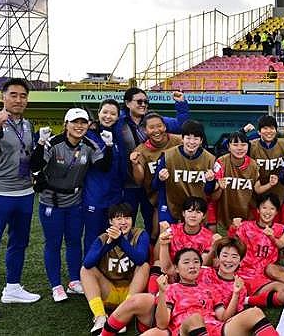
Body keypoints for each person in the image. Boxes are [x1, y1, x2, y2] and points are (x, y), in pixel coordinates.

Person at [31, 108, 113, 302]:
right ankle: (56, 285)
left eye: (83, 122)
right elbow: (35, 165)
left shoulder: (89, 144)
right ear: (66, 124)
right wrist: (41, 143)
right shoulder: (55, 143)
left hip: (75, 201)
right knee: (53, 243)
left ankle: (75, 280)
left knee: (74, 241)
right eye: (75, 122)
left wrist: (108, 146)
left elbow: (103, 166)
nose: (79, 126)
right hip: (51, 200)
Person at [0, 79, 40, 319]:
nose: (19, 100)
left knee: (19, 243)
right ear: (3, 97)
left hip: (25, 193)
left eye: (23, 96)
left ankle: (12, 288)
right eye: (13, 95)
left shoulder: (27, 124)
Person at [145, 248, 278, 336]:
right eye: (186, 262)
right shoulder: (171, 289)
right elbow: (162, 324)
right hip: (185, 330)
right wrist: (162, 293)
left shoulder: (210, 289)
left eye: (196, 262)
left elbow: (223, 317)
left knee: (254, 312)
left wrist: (236, 294)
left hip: (215, 329)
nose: (192, 266)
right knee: (195, 318)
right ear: (177, 269)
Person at [119, 88, 189, 235]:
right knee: (126, 221)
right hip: (127, 182)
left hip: (151, 183)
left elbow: (182, 125)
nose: (143, 104)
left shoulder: (155, 120)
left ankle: (151, 252)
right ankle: (128, 253)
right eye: (139, 101)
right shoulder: (119, 123)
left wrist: (181, 104)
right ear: (127, 103)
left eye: (145, 101)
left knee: (152, 222)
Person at [81, 203, 150, 334]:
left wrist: (120, 241)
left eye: (127, 218)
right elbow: (88, 263)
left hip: (131, 293)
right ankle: (100, 316)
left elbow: (141, 259)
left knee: (144, 266)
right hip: (110, 290)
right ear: (110, 221)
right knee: (85, 271)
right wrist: (109, 244)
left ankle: (124, 315)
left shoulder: (140, 234)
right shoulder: (103, 238)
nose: (123, 222)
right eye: (119, 218)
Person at [230, 193, 284, 308]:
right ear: (258, 210)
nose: (267, 212)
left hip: (265, 276)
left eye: (272, 208)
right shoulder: (246, 226)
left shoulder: (280, 229)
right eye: (264, 207)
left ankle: (247, 300)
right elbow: (230, 245)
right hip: (244, 274)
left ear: (277, 212)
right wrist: (233, 228)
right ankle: (250, 298)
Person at [151, 120, 216, 225]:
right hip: (171, 202)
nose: (191, 142)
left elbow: (209, 192)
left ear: (201, 141)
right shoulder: (168, 156)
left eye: (196, 138)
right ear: (182, 138)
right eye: (188, 138)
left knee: (194, 236)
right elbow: (155, 185)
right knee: (166, 232)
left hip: (195, 206)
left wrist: (210, 181)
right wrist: (160, 178)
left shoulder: (210, 159)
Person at [84, 100, 128, 254]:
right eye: (105, 112)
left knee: (112, 235)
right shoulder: (89, 135)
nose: (108, 116)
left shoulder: (117, 135)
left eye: (113, 113)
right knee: (93, 236)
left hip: (115, 196)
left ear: (118, 117)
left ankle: (107, 271)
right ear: (98, 113)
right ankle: (88, 271)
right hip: (94, 196)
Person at [129, 113, 183, 237]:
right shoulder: (140, 150)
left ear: (165, 126)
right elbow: (139, 180)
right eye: (151, 127)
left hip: (182, 192)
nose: (156, 130)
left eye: (159, 126)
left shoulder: (178, 140)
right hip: (157, 198)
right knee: (157, 233)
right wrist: (135, 165)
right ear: (145, 130)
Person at [213, 131, 274, 228]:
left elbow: (257, 189)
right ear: (228, 147)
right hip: (224, 219)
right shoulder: (221, 162)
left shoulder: (253, 165)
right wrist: (219, 188)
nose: (240, 148)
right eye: (235, 144)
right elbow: (214, 197)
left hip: (247, 219)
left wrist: (270, 184)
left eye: (243, 144)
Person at [154, 196, 213, 278]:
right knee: (157, 264)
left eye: (198, 212)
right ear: (183, 213)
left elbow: (205, 264)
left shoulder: (208, 237)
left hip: (195, 273)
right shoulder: (172, 231)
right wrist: (162, 235)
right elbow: (156, 257)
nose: (193, 215)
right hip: (171, 270)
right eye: (190, 211)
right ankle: (154, 291)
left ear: (203, 216)